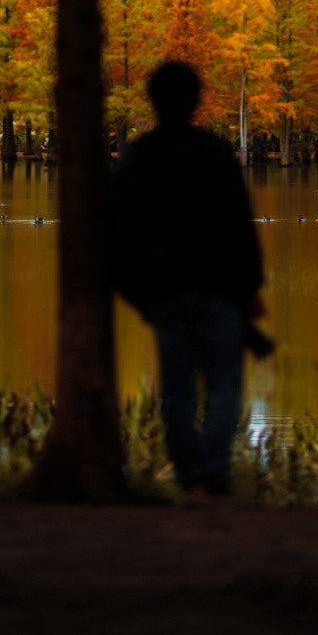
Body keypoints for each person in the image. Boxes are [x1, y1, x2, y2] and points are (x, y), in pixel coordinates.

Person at [108, 61, 266, 497]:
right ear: (197, 100)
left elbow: (118, 234)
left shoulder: (139, 158)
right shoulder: (215, 152)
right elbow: (240, 223)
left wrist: (139, 296)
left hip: (166, 293)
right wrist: (251, 287)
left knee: (177, 395)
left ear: (152, 101)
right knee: (224, 385)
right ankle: (213, 472)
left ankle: (193, 474)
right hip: (219, 292)